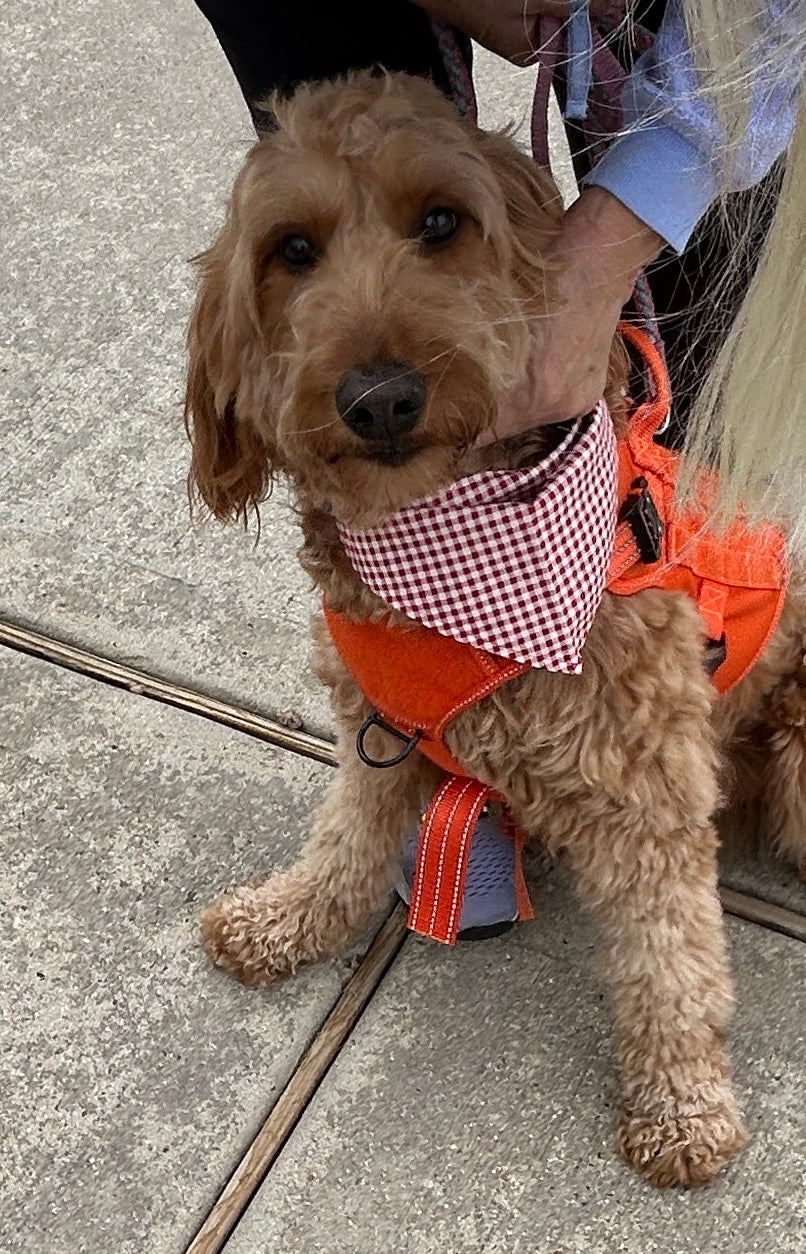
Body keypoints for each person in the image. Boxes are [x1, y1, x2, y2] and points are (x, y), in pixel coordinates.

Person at [192, 0, 805, 934]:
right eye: (299, 252)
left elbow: (664, 842)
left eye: (438, 225)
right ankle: (439, 786)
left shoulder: (607, 589)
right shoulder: (363, 557)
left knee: (646, 804)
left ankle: (670, 1050)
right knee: (397, 699)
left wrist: (598, 268)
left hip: (757, 725)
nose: (382, 385)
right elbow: (373, 721)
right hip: (437, 607)